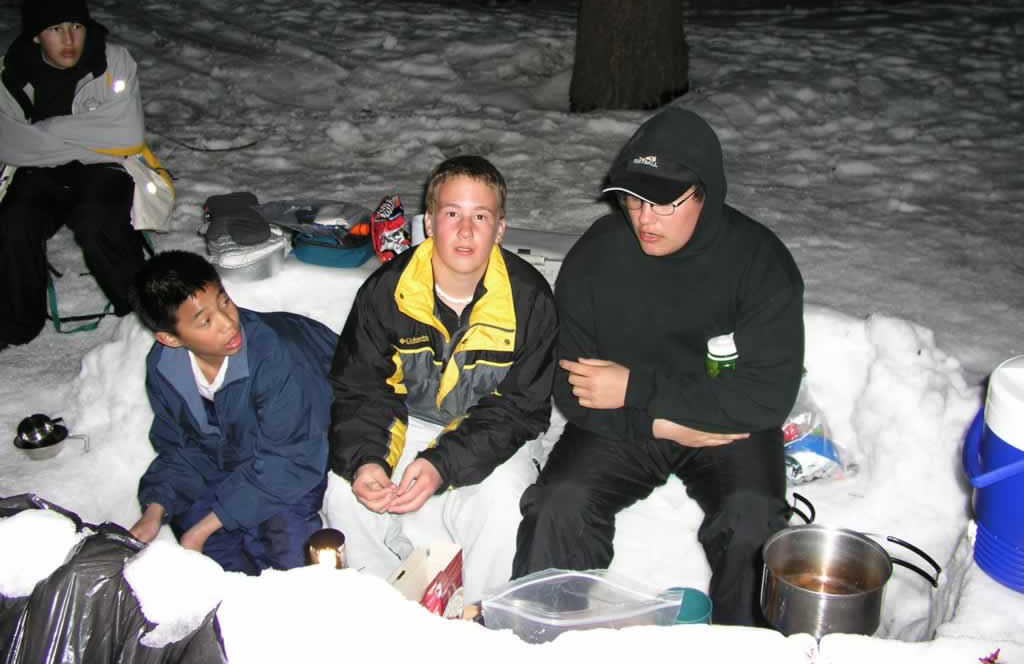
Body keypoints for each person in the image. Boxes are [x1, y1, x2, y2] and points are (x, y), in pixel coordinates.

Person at [511, 107, 805, 626]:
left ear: (705, 193)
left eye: (665, 203)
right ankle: (541, 639)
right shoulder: (597, 257)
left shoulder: (760, 264)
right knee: (559, 504)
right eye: (634, 199)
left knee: (753, 522)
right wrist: (658, 422)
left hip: (721, 422)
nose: (645, 218)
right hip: (630, 422)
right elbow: (572, 388)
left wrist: (637, 388)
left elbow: (766, 397)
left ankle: (745, 648)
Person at [324, 155, 557, 601]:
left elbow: (519, 409)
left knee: (506, 500)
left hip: (493, 431)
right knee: (345, 491)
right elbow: (362, 389)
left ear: (500, 228)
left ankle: (482, 613)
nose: (465, 231)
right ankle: (381, 605)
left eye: (480, 216)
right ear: (429, 222)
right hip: (407, 421)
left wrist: (440, 464)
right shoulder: (387, 292)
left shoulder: (529, 300)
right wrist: (368, 460)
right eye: (452, 214)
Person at [129, 250, 337, 574]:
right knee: (201, 539)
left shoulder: (277, 358)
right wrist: (155, 510)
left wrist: (205, 528)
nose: (228, 323)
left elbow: (291, 461)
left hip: (306, 442)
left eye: (224, 301)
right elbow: (180, 448)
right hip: (239, 448)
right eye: (206, 321)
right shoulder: (165, 368)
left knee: (283, 546)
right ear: (170, 338)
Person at [0, 0, 172, 350]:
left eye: (76, 26)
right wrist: (86, 135)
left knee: (99, 222)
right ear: (36, 36)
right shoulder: (8, 72)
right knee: (14, 224)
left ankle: (144, 317)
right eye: (55, 29)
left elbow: (126, 135)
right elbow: (11, 146)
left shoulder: (115, 62)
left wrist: (45, 131)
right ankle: (18, 322)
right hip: (38, 173)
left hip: (104, 167)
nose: (69, 39)